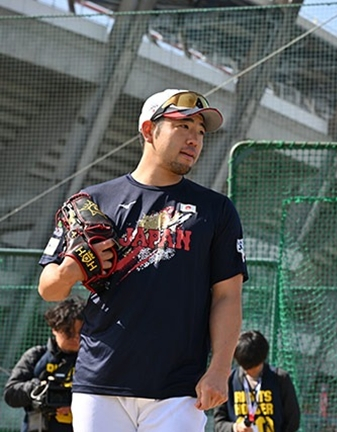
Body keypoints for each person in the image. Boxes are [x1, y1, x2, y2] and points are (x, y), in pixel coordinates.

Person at [37, 89, 248, 432]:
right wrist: (70, 269)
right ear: (149, 130)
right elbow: (48, 289)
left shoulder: (216, 210)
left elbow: (228, 296)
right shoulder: (93, 202)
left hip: (179, 389)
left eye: (200, 131)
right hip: (99, 383)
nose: (194, 138)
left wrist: (220, 370)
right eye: (183, 126)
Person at [3, 296, 85, 432]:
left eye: (81, 332)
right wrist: (39, 389)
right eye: (68, 332)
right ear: (54, 328)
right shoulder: (36, 356)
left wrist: (77, 404)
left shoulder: (93, 361)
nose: (76, 338)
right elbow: (11, 394)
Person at [213, 330, 300, 432]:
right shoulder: (229, 380)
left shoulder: (280, 379)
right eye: (245, 367)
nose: (249, 371)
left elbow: (292, 420)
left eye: (253, 367)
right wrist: (235, 428)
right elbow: (218, 423)